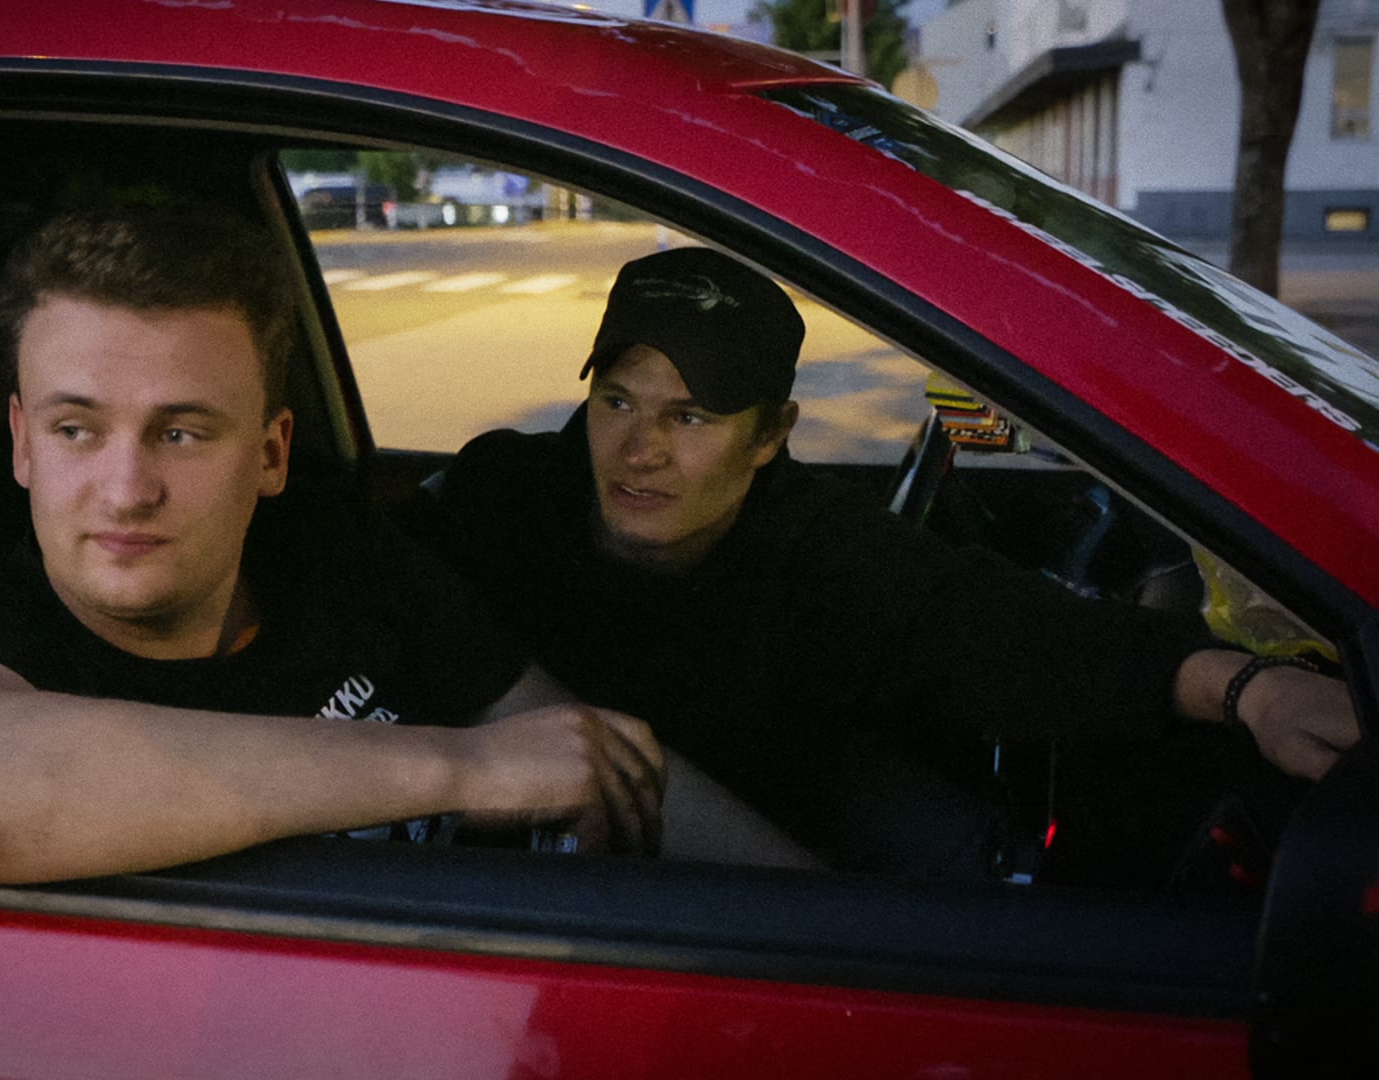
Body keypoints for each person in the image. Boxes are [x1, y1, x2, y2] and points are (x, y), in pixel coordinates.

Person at [0, 207, 812, 884]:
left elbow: (580, 755)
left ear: (270, 453)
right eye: (76, 430)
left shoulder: (333, 555)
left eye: (182, 432)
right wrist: (466, 769)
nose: (127, 488)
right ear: (22, 444)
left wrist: (837, 916)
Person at [415, 246, 1362, 875]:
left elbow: (1011, 632)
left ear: (770, 436)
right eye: (618, 401)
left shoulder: (824, 552)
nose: (639, 451)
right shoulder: (504, 494)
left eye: (691, 417)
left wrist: (1251, 691)